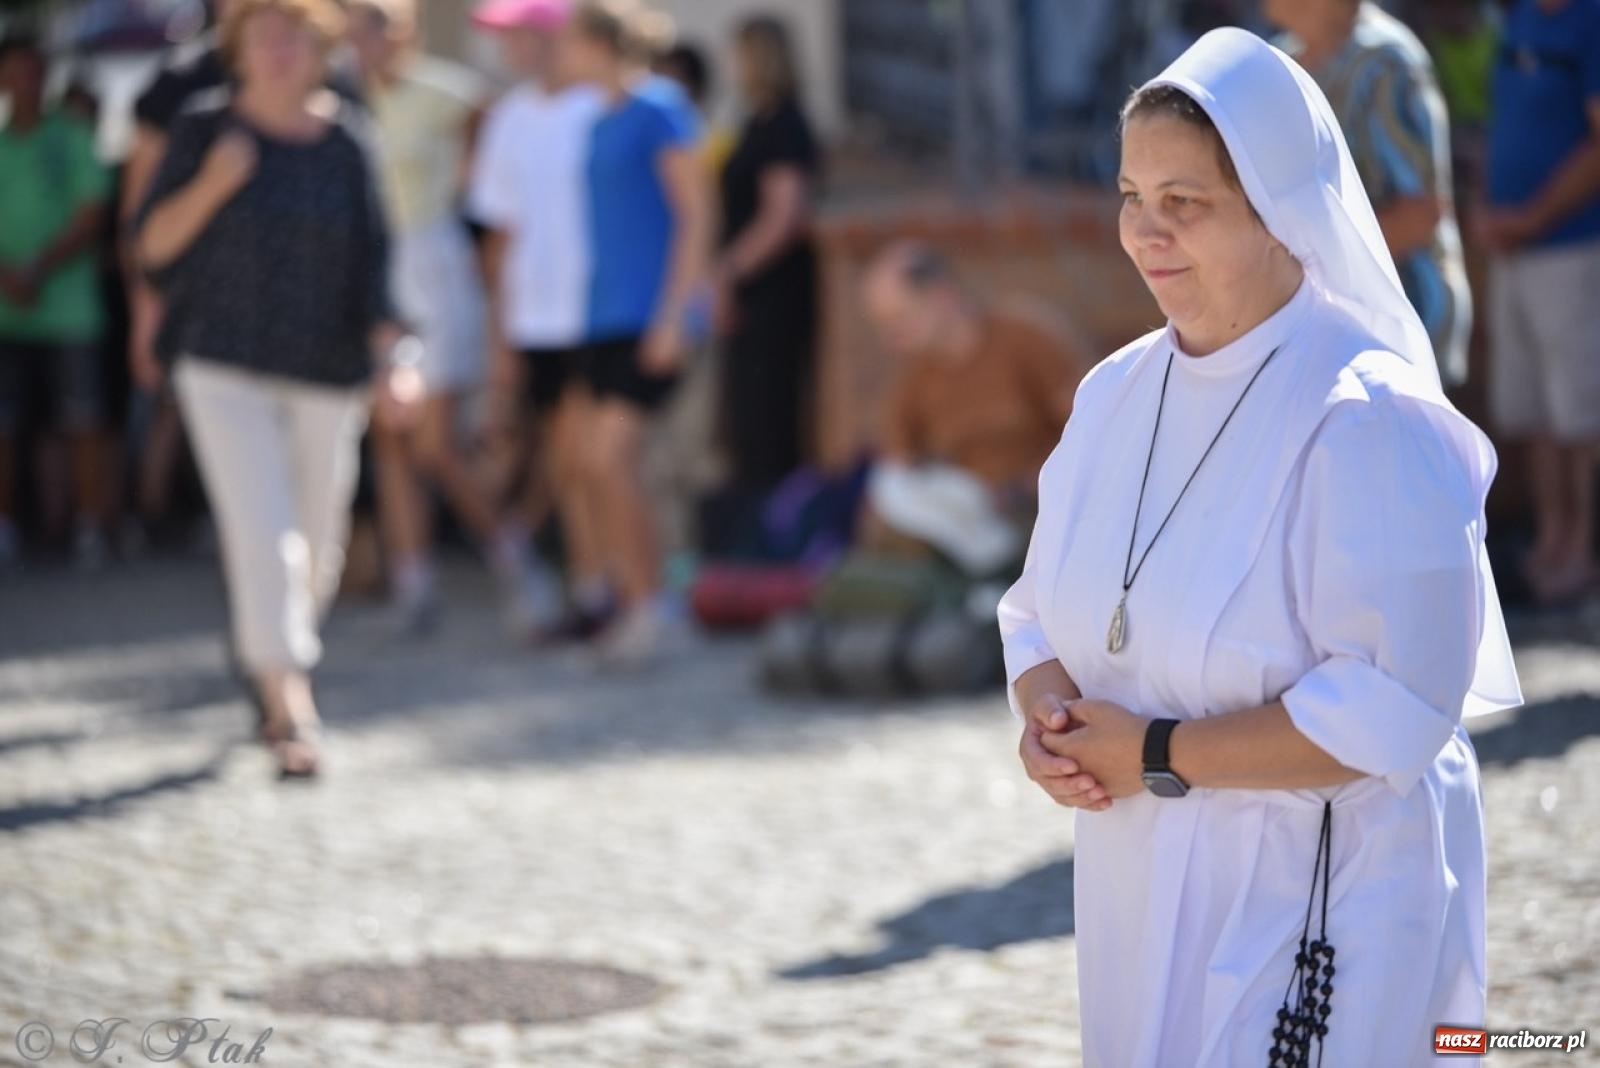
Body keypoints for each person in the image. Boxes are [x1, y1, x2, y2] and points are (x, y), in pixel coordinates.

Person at [998, 28, 1520, 1066]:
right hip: (1137, 887)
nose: (1146, 232)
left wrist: (1149, 756)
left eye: (1183, 202)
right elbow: (1033, 613)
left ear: (1279, 206)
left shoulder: (1367, 419)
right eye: (1130, 196)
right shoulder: (1111, 396)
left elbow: (1391, 712)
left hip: (1321, 901)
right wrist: (1051, 722)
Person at [136, 0, 420, 777]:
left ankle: (276, 659)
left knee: (316, 542)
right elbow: (152, 247)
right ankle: (288, 698)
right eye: (263, 38)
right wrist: (216, 184)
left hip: (326, 370)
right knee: (262, 531)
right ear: (238, 50)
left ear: (322, 49)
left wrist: (396, 358)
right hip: (220, 362)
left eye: (295, 37)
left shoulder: (348, 138)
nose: (279, 52)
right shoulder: (203, 127)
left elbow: (377, 265)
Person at [347, 0, 555, 635]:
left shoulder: (446, 92)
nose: (365, 38)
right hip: (373, 271)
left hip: (432, 269)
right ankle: (414, 586)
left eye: (375, 22)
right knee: (390, 438)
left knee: (436, 443)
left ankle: (515, 558)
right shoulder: (346, 97)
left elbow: (500, 133)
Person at [561, 0, 712, 665]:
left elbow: (698, 215)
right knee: (591, 466)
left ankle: (656, 607)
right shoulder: (597, 121)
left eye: (570, 40)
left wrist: (675, 315)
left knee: (612, 460)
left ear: (600, 43)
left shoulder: (662, 107)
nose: (559, 52)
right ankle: (634, 601)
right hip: (603, 318)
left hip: (652, 317)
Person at [468, 0, 613, 638]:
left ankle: (624, 586)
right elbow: (500, 239)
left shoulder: (604, 111)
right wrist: (501, 336)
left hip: (600, 313)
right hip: (536, 319)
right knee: (562, 459)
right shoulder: (508, 120)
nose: (511, 49)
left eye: (521, 34)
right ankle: (590, 586)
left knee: (597, 457)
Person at [1266, 0, 1472, 390]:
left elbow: (1419, 215)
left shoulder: (1384, 62)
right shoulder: (1279, 58)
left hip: (1398, 325)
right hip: (1317, 328)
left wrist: (1302, 276)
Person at [862, 242, 1082, 573]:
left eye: (900, 319)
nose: (892, 338)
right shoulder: (912, 383)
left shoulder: (1025, 338)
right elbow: (898, 474)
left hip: (1047, 503)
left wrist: (1029, 486)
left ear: (942, 295)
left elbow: (1090, 430)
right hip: (969, 514)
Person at [1480, 0, 1600, 606]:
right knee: (1534, 413)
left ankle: (1581, 549)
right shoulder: (1521, 18)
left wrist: (1530, 218)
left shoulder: (1592, 20)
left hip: (1571, 251)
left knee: (1580, 416)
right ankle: (1552, 542)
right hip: (1514, 251)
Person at [0, 36, 114, 569]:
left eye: (35, 72)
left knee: (81, 418)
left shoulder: (70, 137)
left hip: (70, 310)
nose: (27, 83)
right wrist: (9, 277)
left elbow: (90, 216)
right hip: (8, 313)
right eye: (16, 72)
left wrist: (38, 268)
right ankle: (11, 525)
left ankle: (88, 526)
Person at [712, 14, 821, 496]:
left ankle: (774, 528)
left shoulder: (784, 124)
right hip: (750, 291)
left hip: (773, 293)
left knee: (769, 411)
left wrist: (727, 271)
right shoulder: (756, 120)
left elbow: (783, 216)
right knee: (745, 415)